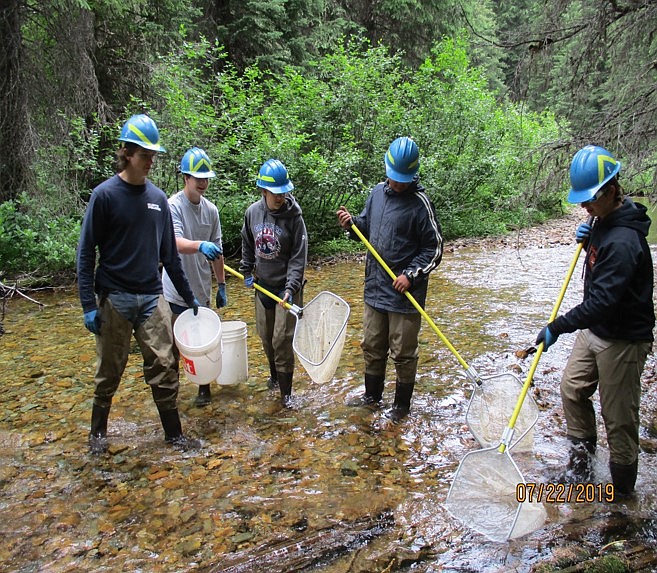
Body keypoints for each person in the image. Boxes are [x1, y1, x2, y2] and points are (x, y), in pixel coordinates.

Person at [77, 113, 201, 454]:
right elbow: (86, 252)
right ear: (127, 153)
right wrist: (88, 305)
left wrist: (190, 299)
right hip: (114, 297)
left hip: (151, 297)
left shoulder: (158, 200)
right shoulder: (104, 196)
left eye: (153, 155)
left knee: (164, 365)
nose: (151, 161)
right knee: (109, 370)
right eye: (145, 154)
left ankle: (174, 435)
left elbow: (171, 258)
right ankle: (97, 436)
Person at [535, 145, 654, 496]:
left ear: (613, 189)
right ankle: (581, 471)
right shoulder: (604, 221)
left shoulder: (623, 241)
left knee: (618, 421)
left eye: (591, 200)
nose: (584, 208)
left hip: (622, 339)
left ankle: (621, 500)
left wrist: (557, 326)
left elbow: (601, 302)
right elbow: (601, 275)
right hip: (597, 330)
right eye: (582, 201)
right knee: (572, 390)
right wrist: (590, 244)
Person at [336, 136, 443, 422]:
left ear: (413, 175)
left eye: (402, 180)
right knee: (372, 345)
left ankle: (401, 407)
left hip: (404, 296)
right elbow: (367, 226)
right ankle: (372, 397)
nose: (397, 184)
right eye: (394, 178)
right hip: (375, 288)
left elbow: (434, 249)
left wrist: (411, 274)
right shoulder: (377, 193)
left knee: (403, 353)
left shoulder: (421, 205)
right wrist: (352, 224)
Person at [239, 159, 308, 407]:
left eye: (284, 192)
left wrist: (291, 287)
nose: (281, 197)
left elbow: (298, 257)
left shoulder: (294, 218)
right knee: (266, 337)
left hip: (287, 288)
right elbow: (247, 242)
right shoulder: (252, 213)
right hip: (263, 286)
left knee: (282, 339)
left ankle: (286, 395)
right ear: (264, 191)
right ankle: (274, 377)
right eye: (276, 193)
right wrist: (246, 270)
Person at [163, 147, 228, 407]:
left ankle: (204, 389)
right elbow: (175, 242)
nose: (203, 183)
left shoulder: (211, 211)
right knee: (174, 348)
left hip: (201, 288)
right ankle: (170, 393)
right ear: (185, 178)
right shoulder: (173, 206)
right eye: (197, 178)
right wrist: (200, 245)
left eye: (206, 178)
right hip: (175, 290)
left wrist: (221, 284)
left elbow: (218, 251)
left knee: (202, 344)